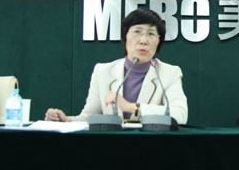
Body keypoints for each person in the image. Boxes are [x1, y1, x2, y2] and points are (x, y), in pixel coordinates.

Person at [45, 7, 188, 125]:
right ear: (125, 36)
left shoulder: (170, 73)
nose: (143, 40)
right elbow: (89, 117)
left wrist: (131, 107)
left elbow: (180, 115)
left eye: (151, 34)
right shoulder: (103, 71)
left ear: (159, 42)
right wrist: (65, 120)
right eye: (137, 32)